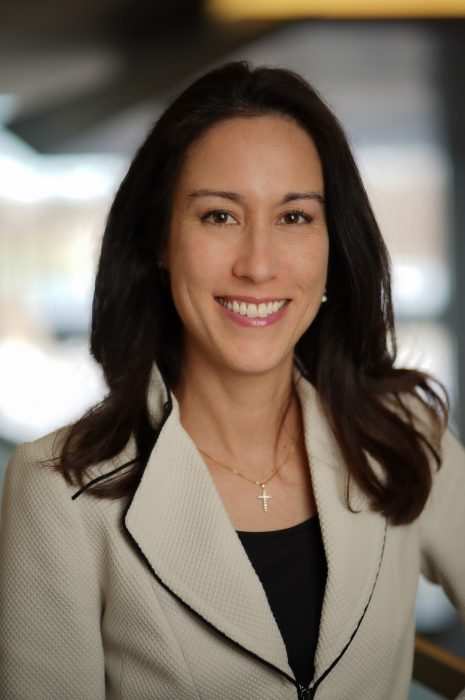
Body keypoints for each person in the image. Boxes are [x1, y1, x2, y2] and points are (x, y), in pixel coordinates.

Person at [0, 61, 464, 700]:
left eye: (294, 217)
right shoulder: (60, 491)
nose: (258, 264)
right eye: (220, 216)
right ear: (162, 240)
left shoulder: (403, 435)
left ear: (334, 241)